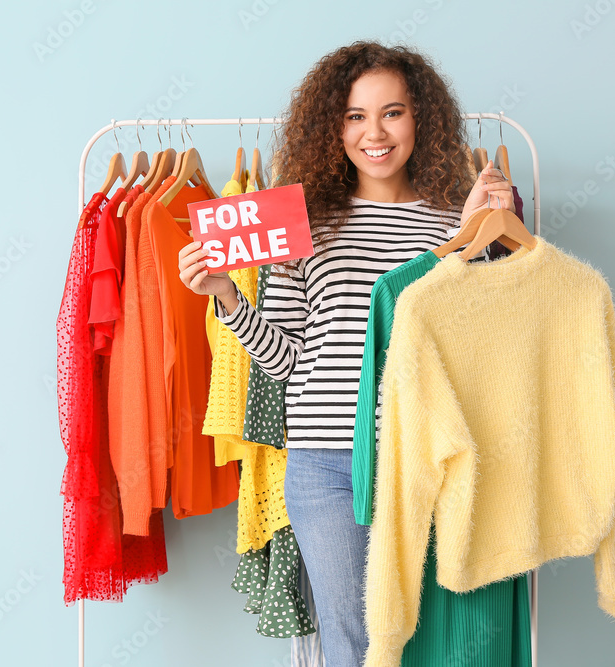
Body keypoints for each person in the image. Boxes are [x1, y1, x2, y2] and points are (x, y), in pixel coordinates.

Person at [178, 41, 513, 665]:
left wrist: (470, 242)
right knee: (352, 640)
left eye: (393, 112)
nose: (374, 133)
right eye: (355, 116)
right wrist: (225, 295)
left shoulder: (457, 221)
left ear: (422, 120)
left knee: (442, 640)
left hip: (431, 459)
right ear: (332, 126)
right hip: (326, 463)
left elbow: (478, 350)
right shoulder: (305, 227)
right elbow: (286, 360)